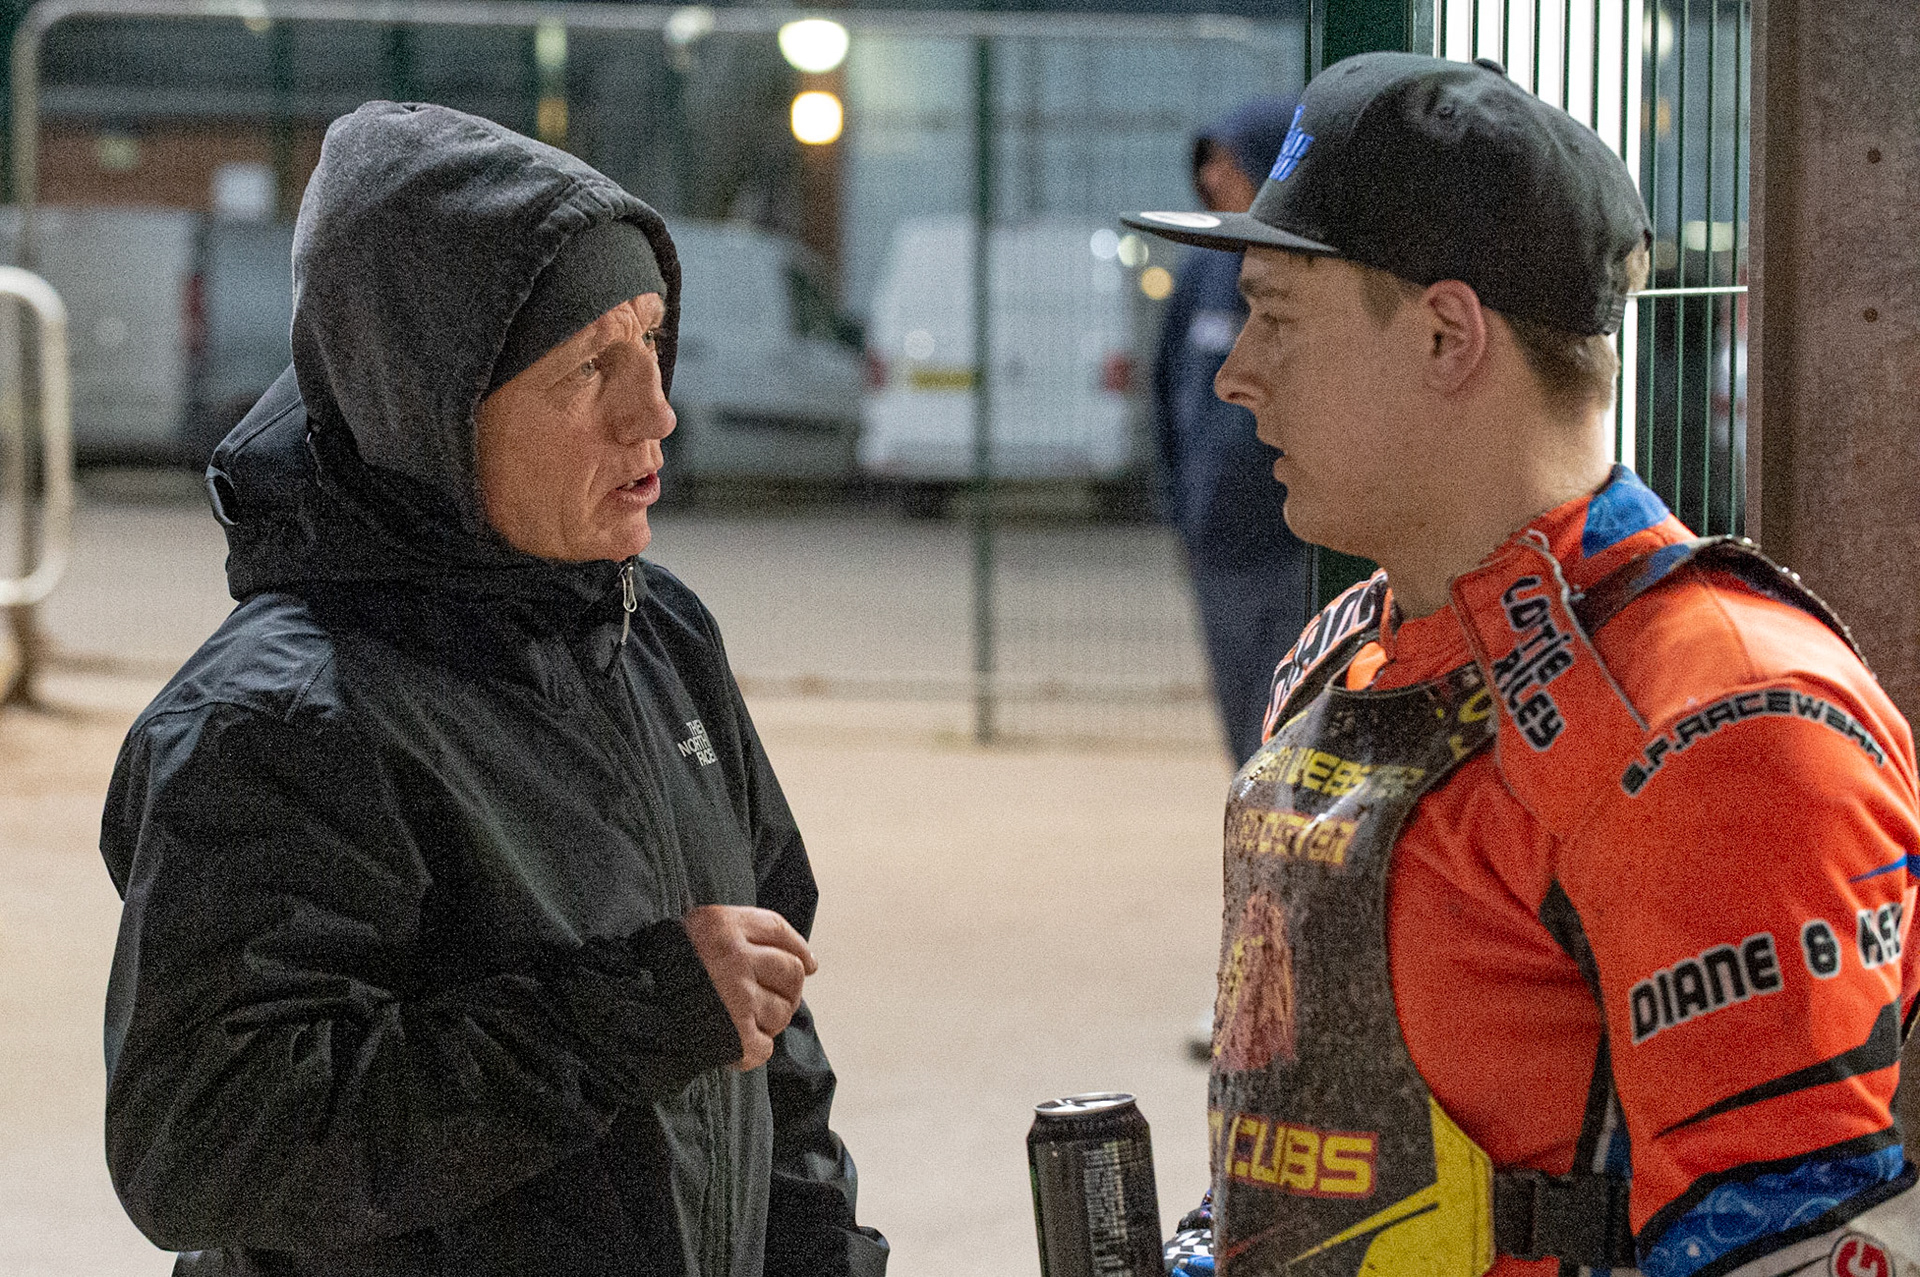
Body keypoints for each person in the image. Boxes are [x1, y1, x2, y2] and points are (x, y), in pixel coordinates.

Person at [1125, 52, 1919, 1277]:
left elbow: (1793, 1248)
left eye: (1278, 316)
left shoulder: (1721, 715)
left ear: (1449, 335)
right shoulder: (1351, 649)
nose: (1234, 372)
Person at [99, 102, 888, 1277]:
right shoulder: (283, 719)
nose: (654, 412)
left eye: (654, 345)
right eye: (588, 369)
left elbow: (762, 1023)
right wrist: (625, 1016)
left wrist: (822, 1254)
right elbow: (204, 1143)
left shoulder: (653, 628)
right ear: (430, 402)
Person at [1151, 97, 1313, 769]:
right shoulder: (1204, 273)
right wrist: (1180, 513)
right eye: (1209, 165)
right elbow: (1164, 397)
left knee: (1282, 729)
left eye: (1231, 163)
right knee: (1241, 733)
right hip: (1217, 547)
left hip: (1287, 546)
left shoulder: (1299, 276)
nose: (1217, 180)